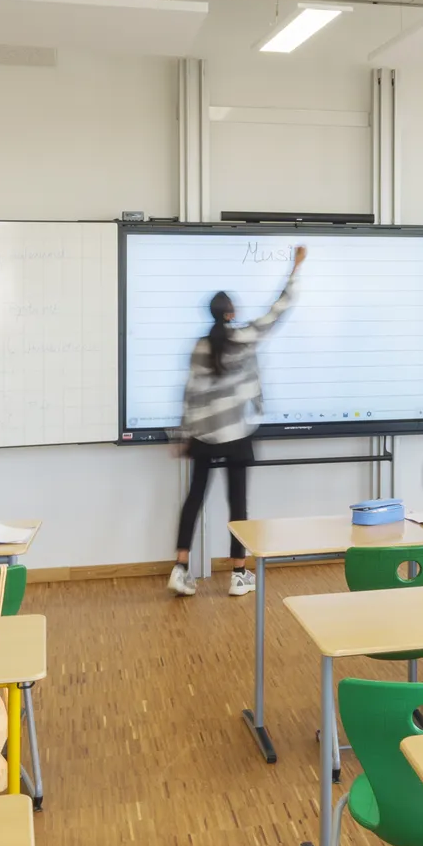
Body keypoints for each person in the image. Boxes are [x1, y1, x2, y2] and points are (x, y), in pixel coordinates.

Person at [168, 244, 306, 598]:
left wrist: (183, 434)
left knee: (194, 498)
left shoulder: (200, 345)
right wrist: (295, 268)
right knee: (237, 502)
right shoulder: (243, 337)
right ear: (231, 313)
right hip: (235, 433)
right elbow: (278, 311)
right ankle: (238, 574)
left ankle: (181, 568)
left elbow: (190, 391)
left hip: (203, 433)